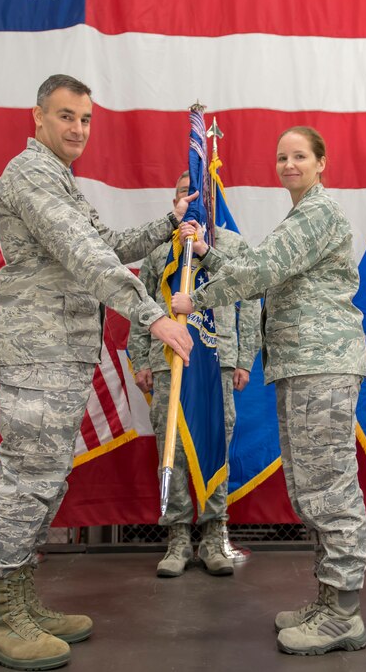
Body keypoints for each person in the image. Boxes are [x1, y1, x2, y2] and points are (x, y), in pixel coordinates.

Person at [0, 74, 196, 671]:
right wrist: (151, 317)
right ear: (38, 118)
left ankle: (19, 600)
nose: (77, 129)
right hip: (37, 347)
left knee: (44, 479)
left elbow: (111, 242)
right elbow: (83, 253)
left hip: (62, 349)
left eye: (86, 119)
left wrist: (170, 222)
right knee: (25, 479)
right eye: (66, 116)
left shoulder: (60, 179)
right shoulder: (31, 175)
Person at [171, 127, 366, 656]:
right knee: (310, 485)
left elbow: (262, 268)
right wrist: (207, 254)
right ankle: (328, 599)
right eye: (281, 156)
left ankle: (344, 613)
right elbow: (259, 264)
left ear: (321, 162)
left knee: (329, 485)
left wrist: (198, 298)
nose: (289, 164)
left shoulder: (320, 214)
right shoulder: (300, 218)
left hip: (321, 365)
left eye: (300, 155)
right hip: (301, 365)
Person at [129, 171, 262, 578]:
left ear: (209, 202)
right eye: (181, 195)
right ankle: (178, 537)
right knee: (173, 447)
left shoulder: (231, 246)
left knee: (214, 443)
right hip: (168, 359)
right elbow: (139, 304)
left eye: (197, 196)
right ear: (175, 201)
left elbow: (251, 301)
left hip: (217, 359)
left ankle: (214, 533)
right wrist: (141, 359)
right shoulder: (158, 251)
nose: (190, 202)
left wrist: (243, 358)